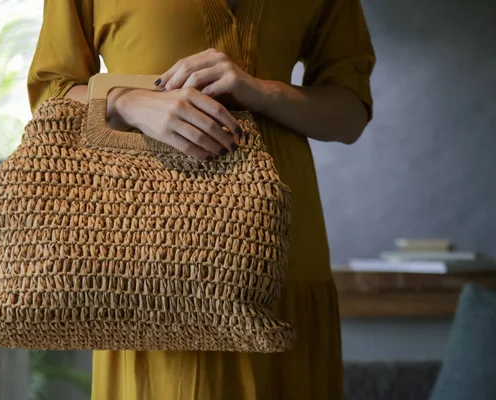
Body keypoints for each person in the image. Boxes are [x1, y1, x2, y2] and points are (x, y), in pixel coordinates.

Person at [27, 0, 375, 398]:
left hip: (285, 252)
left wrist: (259, 90)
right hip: (151, 260)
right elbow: (51, 93)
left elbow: (350, 114)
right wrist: (127, 100)